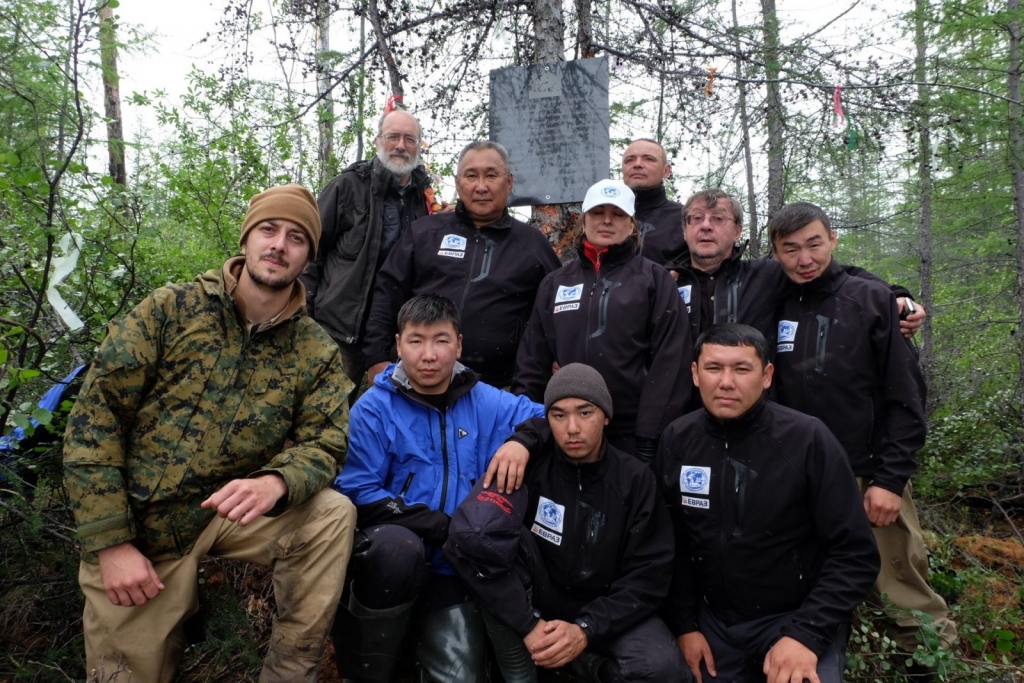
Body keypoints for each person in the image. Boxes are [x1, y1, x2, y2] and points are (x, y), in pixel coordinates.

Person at [63, 184, 357, 683]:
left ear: (308, 257)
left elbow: (326, 440)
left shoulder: (316, 349)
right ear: (246, 239)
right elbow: (97, 420)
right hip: (145, 527)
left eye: (296, 237)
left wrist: (279, 481)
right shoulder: (169, 310)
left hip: (229, 512)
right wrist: (111, 543)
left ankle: (288, 673)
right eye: (268, 229)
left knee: (331, 514)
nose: (279, 245)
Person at [768, 202, 956, 656]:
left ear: (832, 239)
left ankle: (932, 662)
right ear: (775, 253)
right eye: (790, 249)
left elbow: (907, 398)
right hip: (800, 473)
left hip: (866, 473)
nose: (804, 259)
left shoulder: (870, 299)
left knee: (898, 583)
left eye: (814, 244)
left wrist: (890, 480)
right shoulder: (774, 301)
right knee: (813, 577)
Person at [332, 293, 546, 683]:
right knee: (397, 549)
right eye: (416, 341)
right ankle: (366, 669)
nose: (428, 355)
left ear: (459, 344)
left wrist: (522, 442)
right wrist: (439, 525)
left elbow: (548, 417)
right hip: (395, 559)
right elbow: (357, 490)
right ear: (398, 345)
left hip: (460, 568)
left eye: (441, 340)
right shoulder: (373, 409)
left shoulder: (486, 401)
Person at [656, 324, 880, 683]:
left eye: (742, 369)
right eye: (714, 368)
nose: (726, 382)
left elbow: (855, 553)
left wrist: (806, 634)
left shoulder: (807, 439)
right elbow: (674, 542)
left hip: (795, 617)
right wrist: (685, 625)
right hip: (715, 623)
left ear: (767, 375)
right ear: (695, 374)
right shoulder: (677, 439)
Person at [445, 363, 686, 683]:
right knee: (484, 537)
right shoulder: (525, 466)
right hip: (536, 605)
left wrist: (587, 628)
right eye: (559, 415)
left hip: (608, 609)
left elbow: (649, 575)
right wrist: (528, 626)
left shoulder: (635, 479)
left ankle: (587, 667)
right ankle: (523, 669)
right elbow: (466, 542)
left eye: (585, 413)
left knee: (661, 667)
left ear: (606, 416)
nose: (572, 427)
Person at [512, 178, 692, 461]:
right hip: (567, 428)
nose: (607, 220)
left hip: (630, 434)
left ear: (632, 223)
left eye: (617, 214)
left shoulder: (654, 279)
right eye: (598, 213)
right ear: (584, 220)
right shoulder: (555, 283)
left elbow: (672, 361)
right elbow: (532, 361)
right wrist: (528, 429)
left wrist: (650, 436)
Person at [361, 140, 561, 388]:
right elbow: (387, 293)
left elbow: (559, 310)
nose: (481, 187)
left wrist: (559, 357)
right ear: (457, 183)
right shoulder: (424, 233)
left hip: (498, 388)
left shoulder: (532, 245)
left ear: (509, 181)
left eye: (491, 175)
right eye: (471, 176)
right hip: (415, 381)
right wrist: (376, 357)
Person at [668, 189, 926, 345]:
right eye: (696, 218)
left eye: (718, 218)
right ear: (684, 229)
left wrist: (898, 295)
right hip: (681, 414)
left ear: (737, 231)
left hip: (754, 411)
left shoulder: (766, 275)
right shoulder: (665, 281)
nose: (705, 225)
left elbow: (838, 276)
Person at [302, 109, 435, 391]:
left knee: (387, 424)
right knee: (325, 414)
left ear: (419, 146)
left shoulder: (424, 201)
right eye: (393, 137)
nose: (401, 145)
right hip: (337, 332)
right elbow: (308, 253)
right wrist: (305, 320)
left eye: (410, 139)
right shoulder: (347, 186)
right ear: (377, 142)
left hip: (395, 339)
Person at [621, 138, 687, 266]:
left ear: (666, 171)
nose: (637, 164)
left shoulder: (685, 217)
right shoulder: (604, 216)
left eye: (648, 159)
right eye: (630, 160)